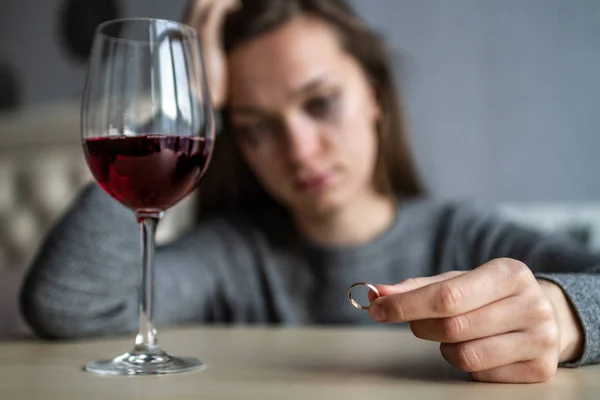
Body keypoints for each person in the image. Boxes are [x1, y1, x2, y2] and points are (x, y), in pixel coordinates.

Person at [20, 0, 600, 384]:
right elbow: (70, 304)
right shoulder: (233, 258)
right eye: (255, 125)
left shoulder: (470, 234)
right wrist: (186, 95)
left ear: (374, 96)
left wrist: (566, 315)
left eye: (320, 103)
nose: (299, 149)